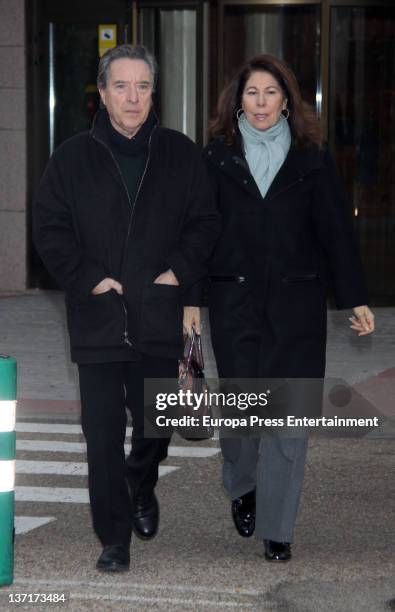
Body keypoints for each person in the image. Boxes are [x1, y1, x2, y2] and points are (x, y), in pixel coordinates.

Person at [33, 44, 219, 572]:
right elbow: (49, 228)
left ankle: (140, 481)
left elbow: (205, 222)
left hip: (159, 310)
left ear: (153, 92)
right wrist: (87, 279)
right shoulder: (71, 157)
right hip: (98, 317)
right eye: (122, 86)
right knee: (102, 432)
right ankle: (113, 537)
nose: (133, 97)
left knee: (157, 428)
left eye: (142, 86)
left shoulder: (180, 153)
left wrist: (178, 272)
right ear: (103, 93)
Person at [203, 54, 375, 562]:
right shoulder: (215, 157)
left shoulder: (312, 157)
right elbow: (198, 233)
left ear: (287, 101)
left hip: (297, 305)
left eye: (271, 93)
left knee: (288, 422)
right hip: (234, 301)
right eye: (251, 93)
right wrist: (189, 302)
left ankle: (278, 528)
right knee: (241, 419)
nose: (260, 103)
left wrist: (355, 297)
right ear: (238, 100)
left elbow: (335, 233)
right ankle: (242, 484)